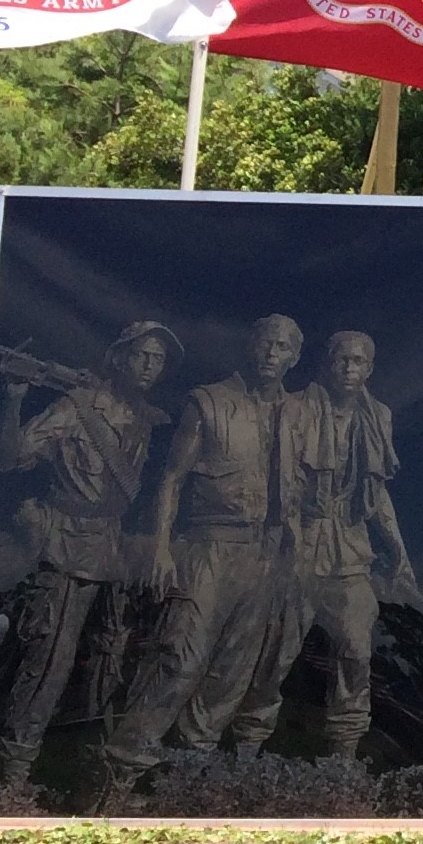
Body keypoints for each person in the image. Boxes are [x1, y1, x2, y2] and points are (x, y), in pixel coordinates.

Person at [100, 313, 313, 792]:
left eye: (282, 348)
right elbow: (171, 478)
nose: (272, 355)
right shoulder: (209, 401)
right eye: (265, 344)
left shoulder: (298, 413)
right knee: (181, 659)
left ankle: (189, 774)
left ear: (294, 357)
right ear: (249, 347)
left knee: (231, 673)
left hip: (266, 555)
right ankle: (122, 771)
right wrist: (159, 547)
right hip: (208, 547)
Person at [0, 321, 179, 786]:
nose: (150, 366)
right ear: (119, 357)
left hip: (109, 549)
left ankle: (80, 764)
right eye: (142, 355)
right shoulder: (76, 409)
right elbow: (7, 460)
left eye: (159, 359)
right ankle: (14, 769)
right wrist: (12, 399)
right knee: (50, 661)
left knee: (108, 660)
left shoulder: (145, 418)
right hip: (65, 545)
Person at [225, 328, 414, 760]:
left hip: (350, 547)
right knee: (277, 652)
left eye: (358, 361)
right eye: (341, 360)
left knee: (355, 651)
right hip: (299, 542)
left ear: (370, 368)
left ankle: (343, 755)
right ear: (327, 364)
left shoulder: (377, 416)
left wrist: (397, 548)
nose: (349, 368)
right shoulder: (296, 408)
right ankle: (245, 749)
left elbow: (376, 490)